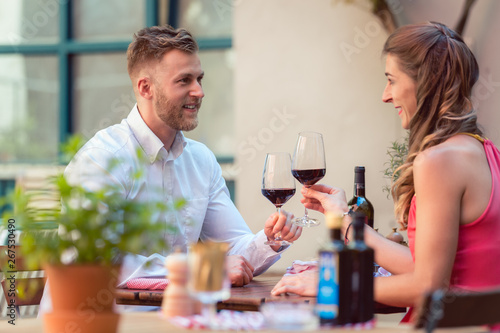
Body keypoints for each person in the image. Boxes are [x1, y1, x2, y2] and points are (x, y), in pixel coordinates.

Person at [271, 21, 500, 322]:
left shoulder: (438, 161)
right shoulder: (483, 150)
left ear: (426, 82)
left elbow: (428, 287)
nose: (385, 95)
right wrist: (341, 219)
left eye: (392, 80)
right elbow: (428, 266)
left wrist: (333, 285)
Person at [63, 25, 302, 288]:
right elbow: (94, 263)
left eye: (199, 79)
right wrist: (204, 268)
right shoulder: (103, 160)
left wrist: (270, 240)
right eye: (184, 80)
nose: (199, 91)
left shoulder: (201, 160)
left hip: (178, 317)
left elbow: (234, 253)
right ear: (145, 88)